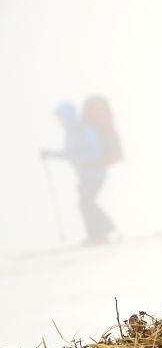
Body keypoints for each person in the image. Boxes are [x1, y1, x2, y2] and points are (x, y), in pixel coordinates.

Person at [41, 100, 116, 245]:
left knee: (85, 203)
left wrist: (83, 160)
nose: (59, 120)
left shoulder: (82, 129)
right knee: (85, 203)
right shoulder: (71, 131)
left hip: (95, 173)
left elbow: (93, 151)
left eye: (60, 116)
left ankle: (100, 233)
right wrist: (50, 154)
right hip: (86, 174)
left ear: (68, 116)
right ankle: (99, 234)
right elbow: (70, 154)